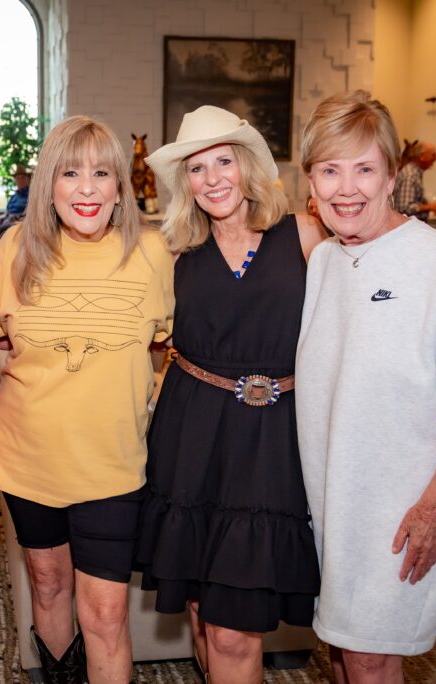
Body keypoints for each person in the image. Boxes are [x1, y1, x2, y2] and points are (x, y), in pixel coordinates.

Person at [296, 91, 436, 682]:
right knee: (339, 648)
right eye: (330, 170)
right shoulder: (325, 264)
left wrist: (435, 505)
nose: (346, 188)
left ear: (392, 176)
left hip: (402, 506)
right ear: (310, 182)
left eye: (364, 169)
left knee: (368, 654)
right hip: (334, 498)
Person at [0, 116, 174, 683]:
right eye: (70, 173)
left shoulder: (154, 254)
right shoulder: (15, 249)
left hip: (112, 467)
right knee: (47, 584)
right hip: (28, 459)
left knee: (108, 612)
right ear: (49, 185)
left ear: (120, 186)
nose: (86, 188)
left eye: (101, 173)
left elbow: (174, 346)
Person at [136, 105, 325, 684]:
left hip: (273, 446)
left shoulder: (306, 235)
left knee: (234, 627)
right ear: (184, 183)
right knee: (201, 611)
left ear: (247, 168)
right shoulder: (171, 252)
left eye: (224, 162)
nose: (212, 178)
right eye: (196, 168)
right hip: (192, 439)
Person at [393, 140, 436, 221]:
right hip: (407, 230)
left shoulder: (414, 173)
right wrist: (430, 207)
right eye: (433, 155)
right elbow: (405, 207)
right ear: (421, 156)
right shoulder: (410, 175)